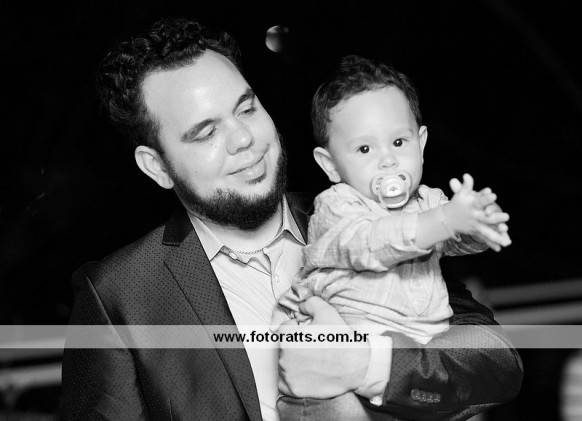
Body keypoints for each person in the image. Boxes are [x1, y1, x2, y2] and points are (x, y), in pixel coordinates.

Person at [61, 17, 523, 421]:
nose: (243, 139)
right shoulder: (121, 296)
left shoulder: (366, 217)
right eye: (205, 133)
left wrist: (371, 366)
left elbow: (496, 364)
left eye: (246, 109)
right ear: (157, 167)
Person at [272, 55, 513, 420]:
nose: (387, 160)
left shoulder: (429, 202)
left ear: (421, 143)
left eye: (399, 142)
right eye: (365, 149)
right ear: (331, 165)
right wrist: (444, 220)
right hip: (330, 368)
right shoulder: (335, 207)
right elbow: (374, 242)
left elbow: (453, 239)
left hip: (405, 362)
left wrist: (477, 224)